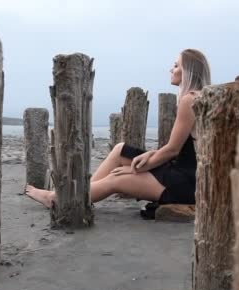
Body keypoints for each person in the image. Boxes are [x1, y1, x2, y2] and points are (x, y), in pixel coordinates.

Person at [26, 49, 211, 209]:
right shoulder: (195, 97)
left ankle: (57, 199)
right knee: (120, 149)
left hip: (186, 183)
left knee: (115, 179)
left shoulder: (190, 100)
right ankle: (83, 191)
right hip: (182, 171)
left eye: (176, 65)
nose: (171, 69)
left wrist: (135, 170)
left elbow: (173, 150)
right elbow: (183, 148)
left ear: (188, 72)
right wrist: (149, 155)